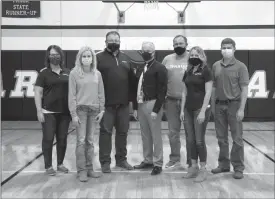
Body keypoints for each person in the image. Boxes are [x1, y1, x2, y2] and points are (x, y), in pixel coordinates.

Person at [96, 31, 138, 173]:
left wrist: (134, 105)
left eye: (116, 39)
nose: (114, 42)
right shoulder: (98, 58)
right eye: (111, 40)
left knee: (122, 133)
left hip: (123, 105)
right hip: (106, 105)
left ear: (120, 41)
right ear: (105, 42)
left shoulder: (126, 58)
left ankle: (121, 160)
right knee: (105, 133)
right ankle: (105, 162)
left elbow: (133, 84)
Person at [211, 38, 249, 179]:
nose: (226, 50)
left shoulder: (241, 67)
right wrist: (213, 105)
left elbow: (244, 89)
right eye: (223, 47)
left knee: (237, 138)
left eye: (228, 47)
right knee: (221, 138)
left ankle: (238, 167)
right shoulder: (216, 65)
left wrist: (241, 109)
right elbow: (213, 87)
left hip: (234, 105)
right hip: (219, 105)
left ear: (234, 49)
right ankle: (224, 164)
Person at [68, 46, 104, 182]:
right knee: (81, 141)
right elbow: (71, 95)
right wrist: (73, 114)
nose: (87, 58)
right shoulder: (74, 73)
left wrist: (102, 110)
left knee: (90, 141)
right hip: (81, 110)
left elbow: (101, 93)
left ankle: (90, 169)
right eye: (84, 56)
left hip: (94, 110)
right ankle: (81, 171)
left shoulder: (97, 74)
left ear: (93, 58)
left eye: (89, 56)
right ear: (80, 58)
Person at [34, 45, 71, 176]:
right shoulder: (44, 73)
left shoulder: (68, 72)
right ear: (48, 56)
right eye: (52, 54)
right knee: (48, 138)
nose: (54, 57)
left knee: (62, 139)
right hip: (48, 112)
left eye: (57, 54)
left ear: (61, 56)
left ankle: (60, 164)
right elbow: (38, 92)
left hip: (65, 113)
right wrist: (39, 110)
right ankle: (48, 166)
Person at [134, 41, 168, 175]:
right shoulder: (143, 67)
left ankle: (158, 163)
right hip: (141, 103)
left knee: (155, 135)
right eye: (143, 50)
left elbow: (162, 90)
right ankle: (147, 160)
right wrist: (136, 106)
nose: (145, 52)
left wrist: (156, 109)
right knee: (145, 134)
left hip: (153, 104)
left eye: (148, 50)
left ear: (153, 52)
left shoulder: (160, 68)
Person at [180, 46, 213, 182]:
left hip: (200, 109)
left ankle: (203, 169)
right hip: (188, 109)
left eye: (196, 55)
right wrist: (182, 110)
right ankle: (193, 167)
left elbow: (208, 92)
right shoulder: (187, 71)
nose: (194, 57)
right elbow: (184, 92)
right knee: (190, 140)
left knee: (199, 140)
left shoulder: (206, 70)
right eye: (191, 54)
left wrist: (203, 111)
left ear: (202, 56)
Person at [162, 35, 191, 169]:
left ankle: (192, 160)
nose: (178, 45)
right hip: (171, 101)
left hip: (189, 103)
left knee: (190, 132)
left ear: (186, 44)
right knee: (173, 132)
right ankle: (174, 158)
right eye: (175, 43)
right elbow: (161, 80)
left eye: (181, 43)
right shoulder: (167, 59)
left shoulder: (193, 57)